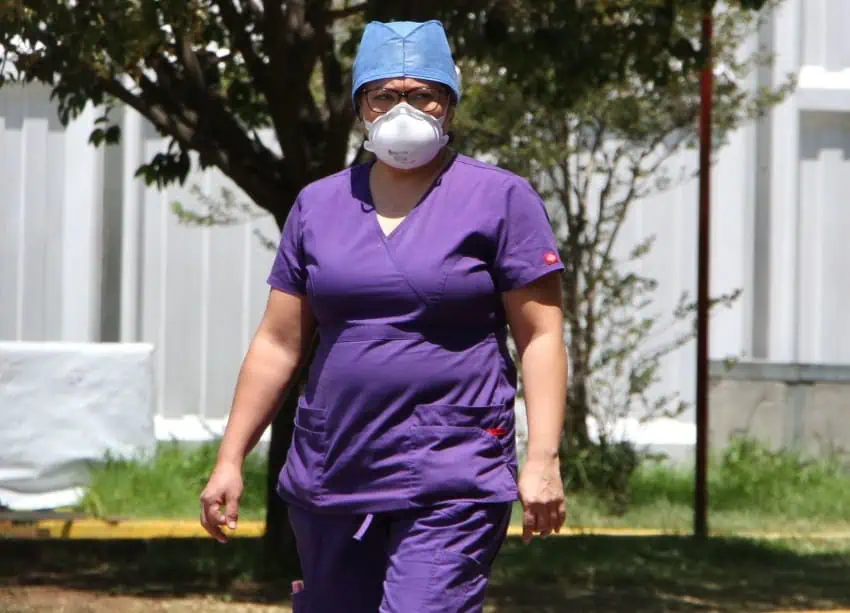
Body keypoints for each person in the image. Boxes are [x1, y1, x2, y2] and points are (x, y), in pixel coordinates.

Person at [200, 19, 568, 613]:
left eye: (424, 93)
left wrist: (543, 459)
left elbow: (541, 337)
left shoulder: (501, 199)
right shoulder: (319, 205)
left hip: (453, 468)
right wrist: (230, 458)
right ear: (361, 106)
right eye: (386, 95)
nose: (406, 109)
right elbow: (278, 343)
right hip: (334, 468)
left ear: (448, 103)